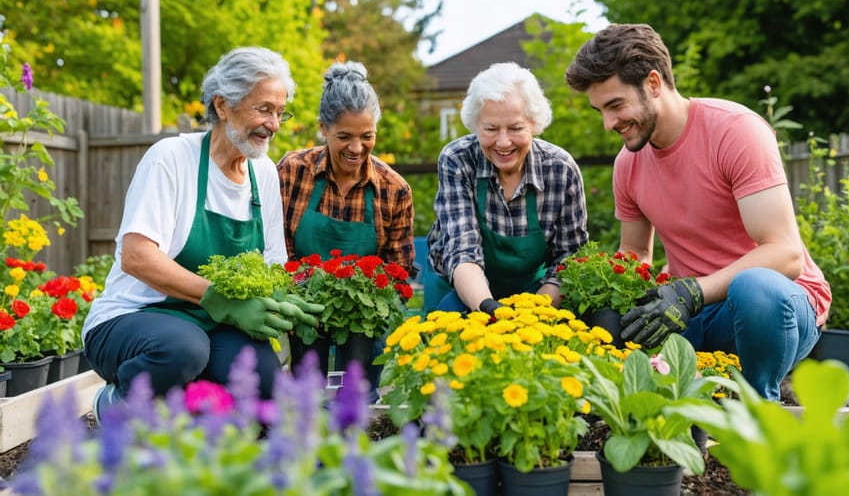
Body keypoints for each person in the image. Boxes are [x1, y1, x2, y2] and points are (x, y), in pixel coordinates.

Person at [565, 23, 832, 401]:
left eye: (616, 105)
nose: (609, 124)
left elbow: (785, 255)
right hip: (694, 311)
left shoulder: (735, 132)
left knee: (754, 288)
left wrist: (692, 291)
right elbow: (636, 256)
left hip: (776, 310)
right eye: (600, 111)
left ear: (653, 83)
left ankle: (759, 412)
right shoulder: (629, 163)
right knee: (617, 322)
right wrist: (611, 301)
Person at [82, 47, 322, 420]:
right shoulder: (172, 158)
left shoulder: (264, 174)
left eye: (279, 112)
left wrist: (282, 301)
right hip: (134, 319)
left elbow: (274, 261)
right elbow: (136, 256)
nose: (274, 124)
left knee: (263, 390)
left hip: (214, 324)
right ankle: (116, 404)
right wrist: (216, 296)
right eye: (263, 109)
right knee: (184, 349)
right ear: (223, 105)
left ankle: (186, 413)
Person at [277, 61, 414, 398]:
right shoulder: (293, 172)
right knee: (308, 393)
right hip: (303, 308)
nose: (356, 148)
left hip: (364, 319)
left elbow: (400, 270)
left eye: (366, 136)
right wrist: (307, 296)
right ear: (323, 128)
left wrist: (363, 302)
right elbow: (278, 249)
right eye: (344, 137)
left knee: (359, 395)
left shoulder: (393, 189)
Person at [425, 62, 589, 315]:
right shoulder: (457, 160)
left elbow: (570, 259)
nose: (503, 142)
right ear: (475, 125)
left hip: (536, 292)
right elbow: (462, 250)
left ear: (534, 123)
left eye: (515, 128)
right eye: (490, 129)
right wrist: (490, 308)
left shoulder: (561, 169)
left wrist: (534, 311)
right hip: (460, 289)